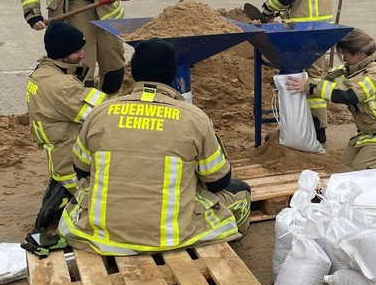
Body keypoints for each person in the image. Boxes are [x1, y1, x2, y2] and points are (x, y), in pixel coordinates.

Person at [58, 38, 251, 256]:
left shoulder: (100, 113)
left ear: (133, 72)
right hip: (173, 237)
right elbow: (218, 182)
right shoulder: (194, 118)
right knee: (241, 193)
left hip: (102, 236)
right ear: (171, 75)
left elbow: (82, 170)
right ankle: (233, 249)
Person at [286, 28, 376, 179]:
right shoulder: (361, 65)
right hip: (368, 133)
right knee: (343, 169)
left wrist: (310, 86)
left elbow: (349, 94)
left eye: (345, 55)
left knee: (359, 177)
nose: (344, 59)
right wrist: (308, 81)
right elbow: (334, 82)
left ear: (358, 54)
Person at [262, 0, 338, 144]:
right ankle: (318, 128)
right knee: (315, 73)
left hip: (303, 25)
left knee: (295, 74)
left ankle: (303, 129)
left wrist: (268, 8)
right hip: (321, 22)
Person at [26, 20, 107, 231]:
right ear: (63, 55)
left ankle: (60, 196)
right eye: (78, 51)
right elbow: (103, 114)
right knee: (106, 206)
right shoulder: (63, 87)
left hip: (58, 157)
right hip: (71, 164)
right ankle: (63, 206)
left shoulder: (42, 73)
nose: (82, 55)